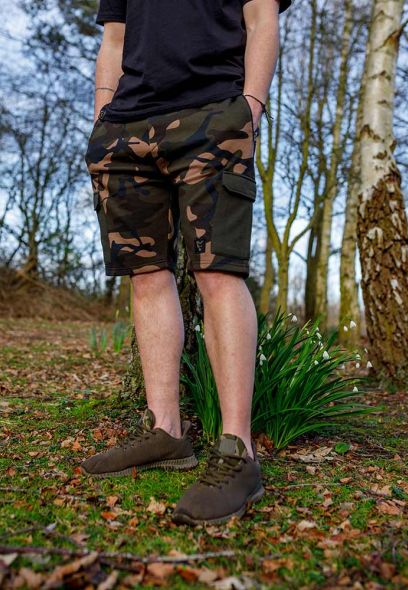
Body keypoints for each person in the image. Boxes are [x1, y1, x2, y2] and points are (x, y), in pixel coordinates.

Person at [84, 0, 291, 525]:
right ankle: (166, 432)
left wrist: (250, 107)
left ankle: (238, 450)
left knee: (217, 272)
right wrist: (101, 118)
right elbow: (114, 39)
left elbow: (262, 18)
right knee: (145, 276)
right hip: (125, 127)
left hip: (213, 115)